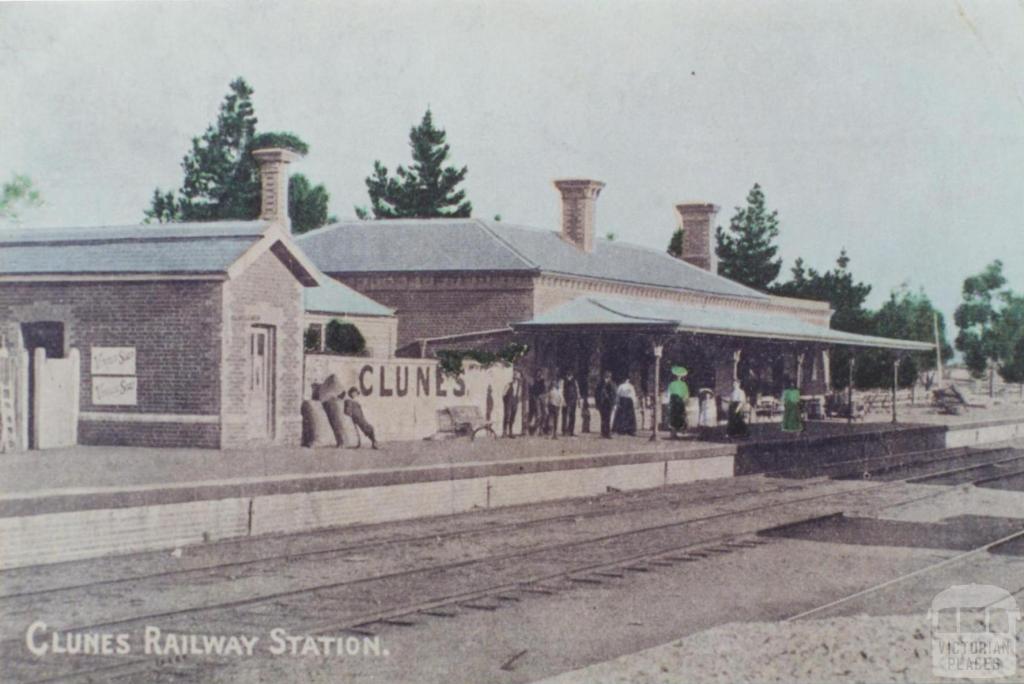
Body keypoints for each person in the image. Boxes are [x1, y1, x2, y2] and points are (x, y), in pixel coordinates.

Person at [667, 366, 690, 439]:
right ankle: (673, 433)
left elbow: (686, 394)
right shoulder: (672, 384)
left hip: (680, 401)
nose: (678, 377)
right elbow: (669, 393)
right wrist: (668, 402)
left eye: (679, 376)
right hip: (673, 400)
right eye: (677, 375)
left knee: (680, 416)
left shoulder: (684, 384)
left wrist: (685, 401)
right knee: (673, 416)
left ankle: (680, 431)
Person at [502, 371, 524, 438]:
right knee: (507, 416)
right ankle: (504, 432)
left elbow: (519, 395)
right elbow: (503, 394)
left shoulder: (519, 386)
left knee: (513, 416)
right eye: (514, 377)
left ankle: (510, 432)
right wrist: (506, 402)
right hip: (508, 401)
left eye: (517, 378)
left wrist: (517, 401)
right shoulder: (508, 384)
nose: (515, 379)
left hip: (515, 402)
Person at [596, 370, 617, 438]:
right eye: (606, 377)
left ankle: (607, 433)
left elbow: (614, 394)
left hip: (609, 403)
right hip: (602, 403)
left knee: (608, 418)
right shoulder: (600, 384)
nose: (607, 378)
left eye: (608, 377)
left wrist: (614, 403)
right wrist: (597, 403)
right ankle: (603, 433)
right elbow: (596, 394)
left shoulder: (613, 384)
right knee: (603, 418)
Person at [528, 371, 547, 436]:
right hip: (536, 400)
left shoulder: (543, 382)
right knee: (538, 415)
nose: (539, 376)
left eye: (540, 374)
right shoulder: (533, 382)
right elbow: (532, 392)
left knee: (544, 415)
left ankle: (540, 429)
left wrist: (543, 397)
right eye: (538, 374)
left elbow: (544, 391)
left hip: (542, 399)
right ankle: (534, 429)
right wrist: (536, 398)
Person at [562, 371, 580, 436]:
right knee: (565, 415)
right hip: (566, 399)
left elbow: (577, 390)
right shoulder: (564, 381)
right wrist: (563, 400)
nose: (570, 375)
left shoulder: (575, 381)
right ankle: (564, 430)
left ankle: (571, 431)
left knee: (572, 415)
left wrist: (578, 400)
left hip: (573, 400)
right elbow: (562, 390)